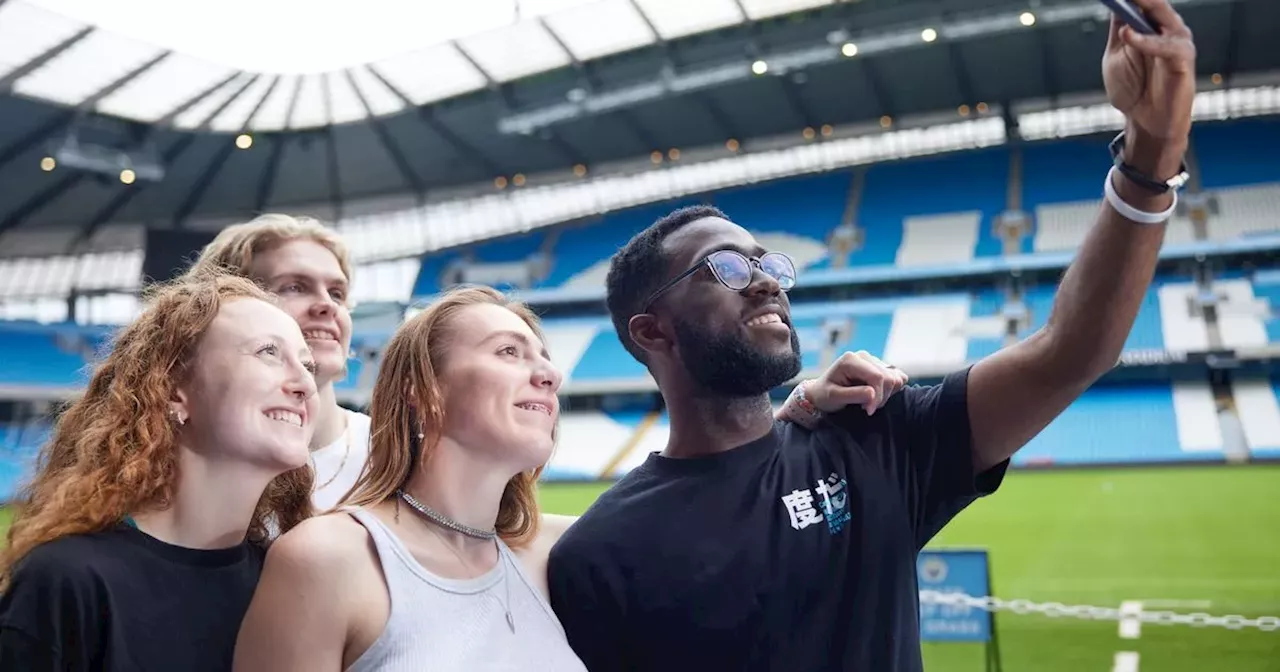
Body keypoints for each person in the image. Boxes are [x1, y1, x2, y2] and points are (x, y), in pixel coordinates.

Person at [546, 2, 1198, 669]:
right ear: (652, 331)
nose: (767, 281)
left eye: (769, 264)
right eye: (729, 268)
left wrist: (1148, 157)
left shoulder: (872, 439)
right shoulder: (601, 555)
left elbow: (1071, 353)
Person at [231, 283, 905, 671]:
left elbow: (713, 503)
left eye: (545, 357)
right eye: (509, 352)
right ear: (424, 394)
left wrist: (795, 409)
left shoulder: (560, 552)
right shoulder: (329, 561)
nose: (548, 373)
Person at [0, 271, 319, 671]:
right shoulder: (68, 580)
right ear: (173, 390)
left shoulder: (290, 587)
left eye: (308, 365)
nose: (305, 383)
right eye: (268, 352)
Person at [186, 214, 369, 510]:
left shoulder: (402, 456)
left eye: (337, 293)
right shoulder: (168, 466)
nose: (327, 306)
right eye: (294, 287)